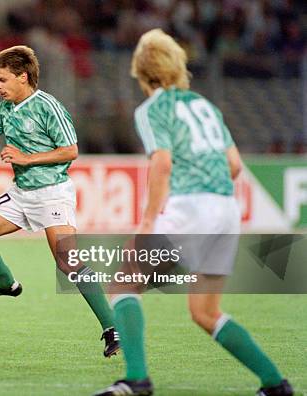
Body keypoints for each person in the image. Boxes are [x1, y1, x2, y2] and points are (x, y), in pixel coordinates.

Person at [94, 29, 293, 396]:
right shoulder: (206, 106)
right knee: (205, 312)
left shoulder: (152, 110)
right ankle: (275, 383)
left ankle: (137, 378)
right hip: (226, 210)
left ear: (141, 72)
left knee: (123, 281)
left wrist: (149, 221)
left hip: (191, 206)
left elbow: (163, 164)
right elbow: (234, 165)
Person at [0, 45, 119, 358]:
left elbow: (70, 150)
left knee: (67, 261)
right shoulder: (6, 109)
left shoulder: (48, 106)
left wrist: (27, 159)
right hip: (21, 193)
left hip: (52, 193)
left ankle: (112, 327)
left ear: (23, 77)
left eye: (3, 80)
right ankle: (5, 282)